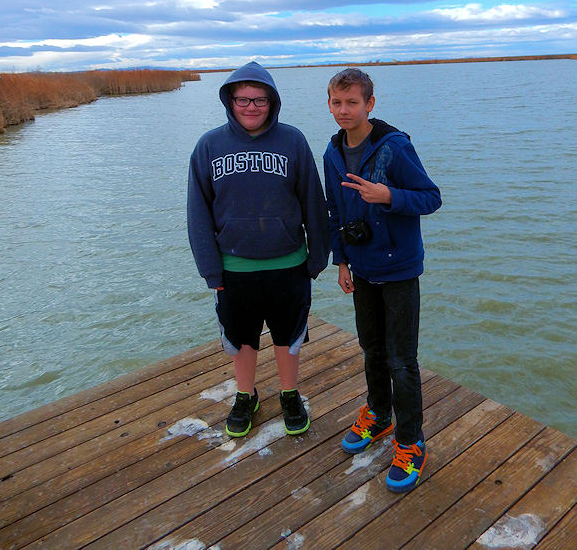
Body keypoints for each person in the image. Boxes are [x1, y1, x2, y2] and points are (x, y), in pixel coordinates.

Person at [187, 61, 329, 438]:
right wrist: (210, 270)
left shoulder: (293, 141)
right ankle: (245, 396)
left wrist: (317, 257)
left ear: (272, 102)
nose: (251, 107)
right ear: (230, 101)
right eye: (243, 99)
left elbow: (313, 201)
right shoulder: (208, 146)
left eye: (260, 100)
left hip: (289, 264)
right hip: (233, 269)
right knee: (242, 339)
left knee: (288, 337)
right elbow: (197, 213)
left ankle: (289, 394)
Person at [323, 67, 441, 494]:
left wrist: (388, 195)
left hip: (400, 270)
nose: (344, 110)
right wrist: (341, 261)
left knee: (401, 360)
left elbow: (431, 197)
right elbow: (335, 211)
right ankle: (379, 414)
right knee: (371, 348)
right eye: (337, 102)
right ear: (329, 104)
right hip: (362, 268)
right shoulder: (332, 152)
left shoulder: (395, 147)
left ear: (370, 104)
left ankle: (410, 442)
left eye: (352, 102)